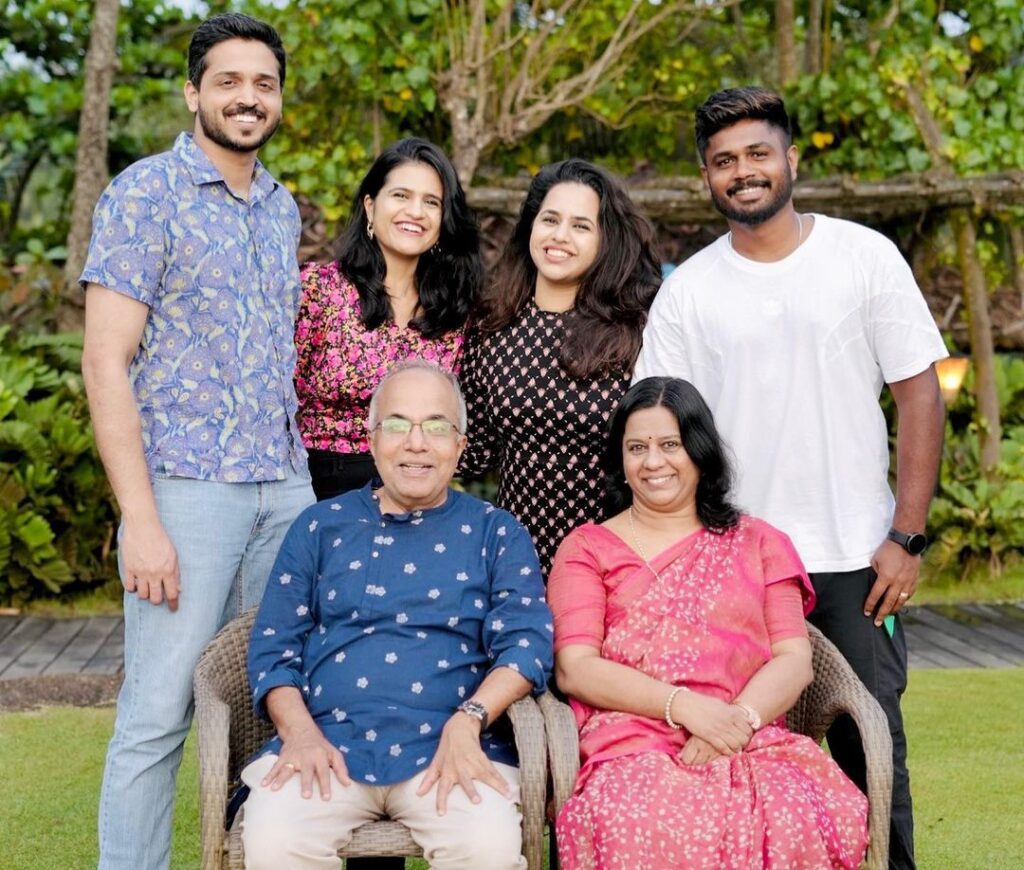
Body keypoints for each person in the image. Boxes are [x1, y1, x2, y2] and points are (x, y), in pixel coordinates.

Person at [633, 86, 947, 869]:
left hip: (852, 556)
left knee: (871, 748)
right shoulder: (690, 291)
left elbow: (919, 395)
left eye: (756, 154)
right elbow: (661, 430)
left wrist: (905, 535)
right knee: (741, 752)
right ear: (708, 176)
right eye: (723, 161)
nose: (742, 172)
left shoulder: (864, 257)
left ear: (791, 159)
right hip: (735, 562)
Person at [79, 13, 315, 869]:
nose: (247, 98)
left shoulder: (282, 207)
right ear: (193, 92)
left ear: (277, 99)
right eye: (229, 81)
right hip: (187, 491)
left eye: (264, 84)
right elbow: (106, 362)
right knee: (156, 714)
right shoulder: (146, 193)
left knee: (271, 701)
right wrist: (140, 521)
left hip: (283, 489)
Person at [240, 361, 554, 869]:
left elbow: (528, 644)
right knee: (276, 841)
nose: (416, 443)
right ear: (371, 438)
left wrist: (469, 721)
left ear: (460, 445)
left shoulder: (497, 532)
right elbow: (273, 647)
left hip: (451, 749)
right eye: (397, 425)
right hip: (325, 746)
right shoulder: (320, 526)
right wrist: (298, 732)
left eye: (435, 427)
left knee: (487, 847)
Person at [548, 377, 869, 869]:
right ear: (621, 461)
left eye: (670, 445)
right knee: (633, 819)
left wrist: (733, 723)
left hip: (747, 732)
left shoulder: (759, 542)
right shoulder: (588, 547)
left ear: (699, 451)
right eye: (637, 447)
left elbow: (794, 658)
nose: (653, 462)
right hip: (629, 742)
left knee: (792, 812)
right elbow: (576, 668)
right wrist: (685, 707)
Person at [459, 159, 661, 574]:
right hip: (515, 561)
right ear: (530, 226)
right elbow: (473, 451)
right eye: (550, 219)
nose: (560, 236)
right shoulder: (490, 325)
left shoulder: (639, 328)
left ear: (607, 239)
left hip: (618, 558)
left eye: (581, 226)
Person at [295, 138, 482, 501]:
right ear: (370, 205)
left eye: (431, 202)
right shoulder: (319, 289)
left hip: (417, 491)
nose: (415, 211)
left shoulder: (455, 313)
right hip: (318, 489)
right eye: (401, 196)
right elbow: (278, 403)